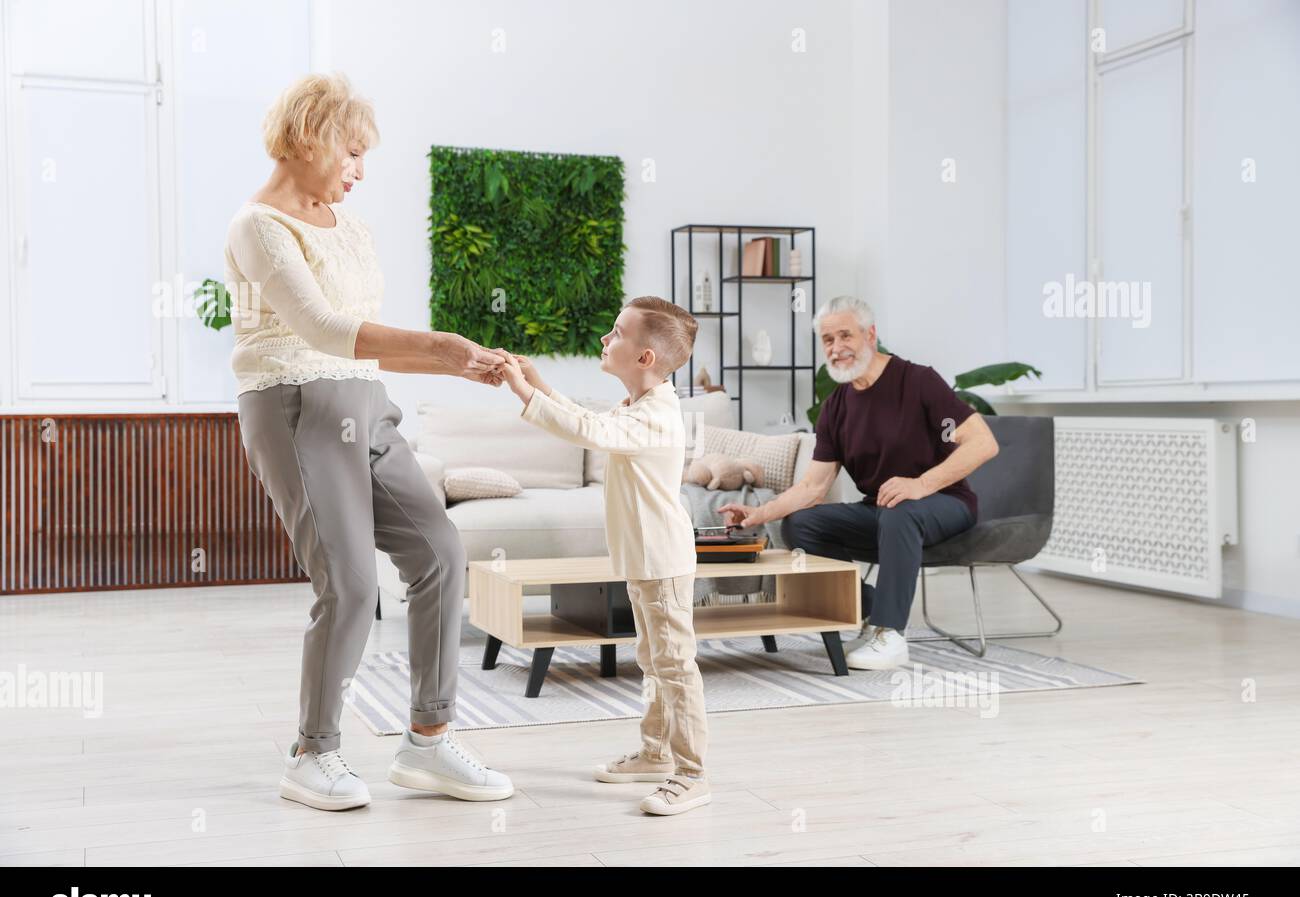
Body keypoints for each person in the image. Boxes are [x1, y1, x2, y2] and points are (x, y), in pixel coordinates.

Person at [226, 72, 513, 811]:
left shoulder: (351, 229)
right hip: (295, 406)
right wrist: (442, 345)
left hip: (365, 402)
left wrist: (461, 363)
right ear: (310, 137)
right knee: (350, 585)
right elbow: (321, 329)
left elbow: (363, 343)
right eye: (351, 152)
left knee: (440, 553)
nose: (359, 170)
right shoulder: (258, 227)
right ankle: (312, 754)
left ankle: (428, 740)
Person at [497, 297, 711, 815]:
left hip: (662, 562)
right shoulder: (636, 407)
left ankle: (692, 774)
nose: (604, 339)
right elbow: (587, 418)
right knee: (653, 660)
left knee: (675, 665)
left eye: (616, 332)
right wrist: (538, 383)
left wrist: (522, 390)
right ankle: (656, 752)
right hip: (644, 561)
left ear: (644, 358)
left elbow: (589, 433)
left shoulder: (657, 416)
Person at [719, 295, 999, 670]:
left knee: (901, 509)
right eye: (828, 340)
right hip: (884, 510)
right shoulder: (836, 407)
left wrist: (921, 484)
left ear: (870, 335)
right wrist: (758, 514)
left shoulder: (917, 381)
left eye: (845, 336)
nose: (836, 348)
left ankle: (891, 633)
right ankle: (872, 612)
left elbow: (983, 443)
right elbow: (812, 487)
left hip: (945, 502)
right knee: (802, 523)